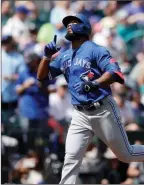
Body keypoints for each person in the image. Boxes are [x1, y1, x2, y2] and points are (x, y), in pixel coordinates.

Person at [37, 13, 144, 184]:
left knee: (126, 154)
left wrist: (94, 84)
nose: (69, 25)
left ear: (85, 27)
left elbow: (115, 73)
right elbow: (42, 76)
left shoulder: (96, 50)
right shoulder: (65, 55)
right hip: (79, 113)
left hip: (102, 109)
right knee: (71, 158)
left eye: (74, 22)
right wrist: (46, 57)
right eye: (67, 23)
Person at [16, 52, 49, 149]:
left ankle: (42, 158)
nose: (27, 64)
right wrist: (25, 86)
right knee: (29, 136)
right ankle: (30, 155)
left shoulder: (43, 71)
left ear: (35, 61)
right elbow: (17, 90)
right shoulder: (24, 72)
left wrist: (42, 85)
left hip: (41, 111)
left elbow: (53, 89)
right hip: (27, 111)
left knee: (42, 138)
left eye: (30, 62)